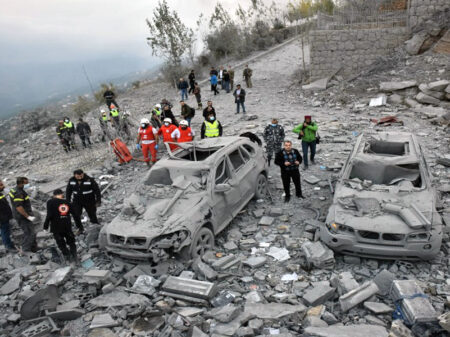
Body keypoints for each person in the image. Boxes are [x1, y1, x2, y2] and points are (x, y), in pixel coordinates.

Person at [44, 189, 83, 263]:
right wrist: (80, 226)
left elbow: (49, 215)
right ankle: (75, 257)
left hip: (56, 228)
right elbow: (75, 215)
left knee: (61, 244)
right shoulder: (67, 202)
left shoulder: (50, 202)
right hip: (67, 226)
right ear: (61, 194)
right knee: (71, 242)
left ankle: (68, 257)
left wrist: (45, 226)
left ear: (54, 195)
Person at [9, 177, 37, 252]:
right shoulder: (19, 193)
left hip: (19, 215)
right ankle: (25, 250)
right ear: (21, 183)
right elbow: (19, 207)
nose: (27, 184)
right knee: (29, 233)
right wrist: (28, 216)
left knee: (31, 232)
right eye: (26, 183)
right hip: (22, 217)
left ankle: (33, 248)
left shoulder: (13, 190)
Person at [0, 180, 15, 252]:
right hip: (2, 218)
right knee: (5, 231)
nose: (3, 186)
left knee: (4, 231)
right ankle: (8, 246)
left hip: (4, 216)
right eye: (1, 185)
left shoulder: (0, 194)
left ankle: (7, 242)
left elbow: (5, 205)